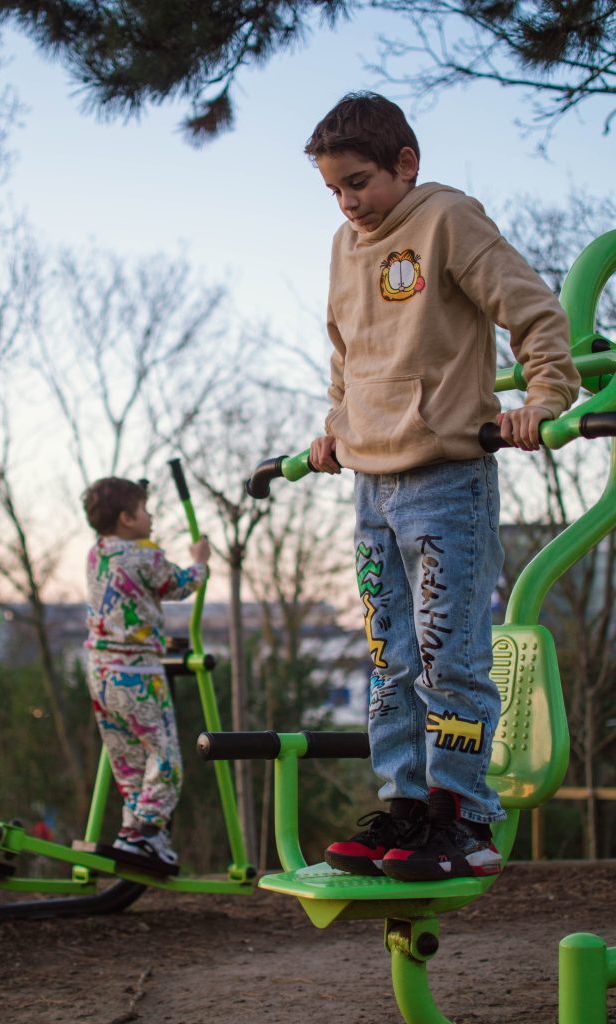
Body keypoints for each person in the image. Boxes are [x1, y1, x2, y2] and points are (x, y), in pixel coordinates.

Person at [306, 92, 581, 882]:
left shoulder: (446, 220)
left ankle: (460, 815)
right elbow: (344, 353)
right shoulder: (342, 245)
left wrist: (545, 399)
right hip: (371, 484)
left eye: (357, 182)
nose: (347, 202)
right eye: (333, 190)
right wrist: (335, 423)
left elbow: (530, 312)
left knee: (446, 656)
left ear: (406, 163)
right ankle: (404, 808)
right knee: (389, 658)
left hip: (445, 480)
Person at [82, 476, 210, 873]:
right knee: (164, 754)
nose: (151, 517)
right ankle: (150, 831)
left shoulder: (96, 553)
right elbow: (179, 585)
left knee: (126, 756)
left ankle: (130, 830)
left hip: (100, 672)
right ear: (126, 518)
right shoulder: (146, 556)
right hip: (137, 673)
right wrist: (200, 560)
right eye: (144, 511)